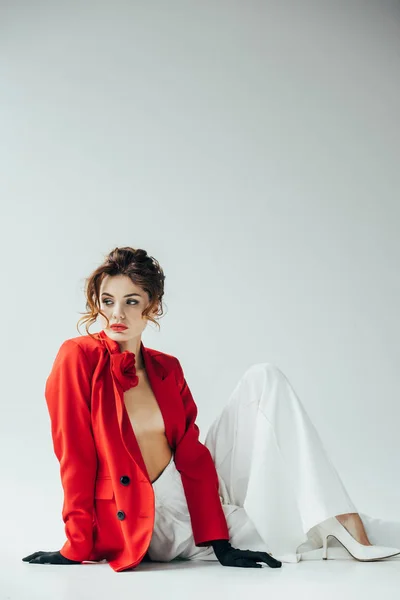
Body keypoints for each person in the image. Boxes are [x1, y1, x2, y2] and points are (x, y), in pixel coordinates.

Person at [22, 246, 400, 572]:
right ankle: (346, 531)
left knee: (263, 378)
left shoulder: (165, 366)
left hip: (194, 496)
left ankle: (349, 525)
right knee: (287, 534)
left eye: (131, 301)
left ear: (151, 307)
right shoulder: (78, 357)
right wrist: (76, 545)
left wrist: (219, 539)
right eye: (108, 301)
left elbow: (191, 454)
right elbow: (73, 454)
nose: (116, 314)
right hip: (144, 519)